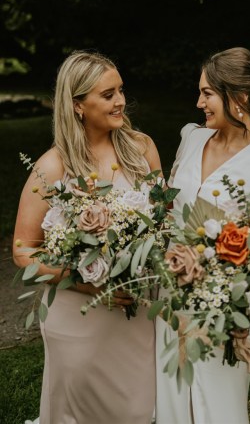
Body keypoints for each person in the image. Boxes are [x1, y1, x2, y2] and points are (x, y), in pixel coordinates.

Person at [155, 47, 250, 424]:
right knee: (172, 394)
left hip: (225, 308)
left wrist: (234, 303)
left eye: (207, 93)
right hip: (172, 295)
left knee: (215, 405)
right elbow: (170, 209)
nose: (198, 102)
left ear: (237, 97)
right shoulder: (193, 140)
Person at [13, 50, 162, 424]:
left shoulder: (141, 149)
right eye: (108, 94)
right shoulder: (53, 166)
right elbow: (22, 251)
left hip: (137, 312)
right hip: (79, 316)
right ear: (78, 105)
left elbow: (165, 219)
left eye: (121, 90)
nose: (121, 101)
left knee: (138, 409)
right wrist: (86, 283)